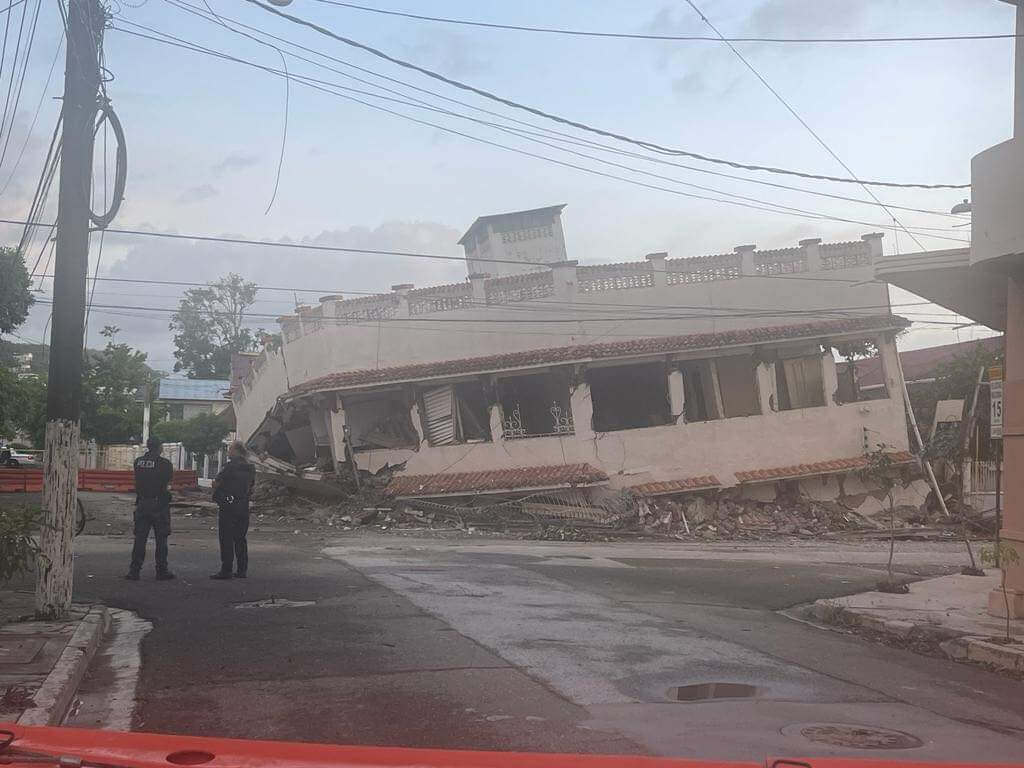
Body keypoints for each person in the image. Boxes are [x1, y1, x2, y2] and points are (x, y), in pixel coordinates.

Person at [126, 437, 175, 581]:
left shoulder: (138, 462)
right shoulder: (165, 464)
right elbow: (167, 481)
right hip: (159, 504)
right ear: (159, 447)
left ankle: (134, 571)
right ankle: (161, 570)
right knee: (161, 539)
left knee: (140, 538)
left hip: (142, 503)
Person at [211, 440, 256, 579]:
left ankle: (226, 570)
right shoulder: (250, 468)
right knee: (240, 539)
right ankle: (242, 570)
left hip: (228, 507)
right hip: (243, 507)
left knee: (226, 539)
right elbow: (252, 487)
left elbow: (216, 483)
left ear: (236, 451)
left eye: (230, 449)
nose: (228, 451)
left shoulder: (229, 467)